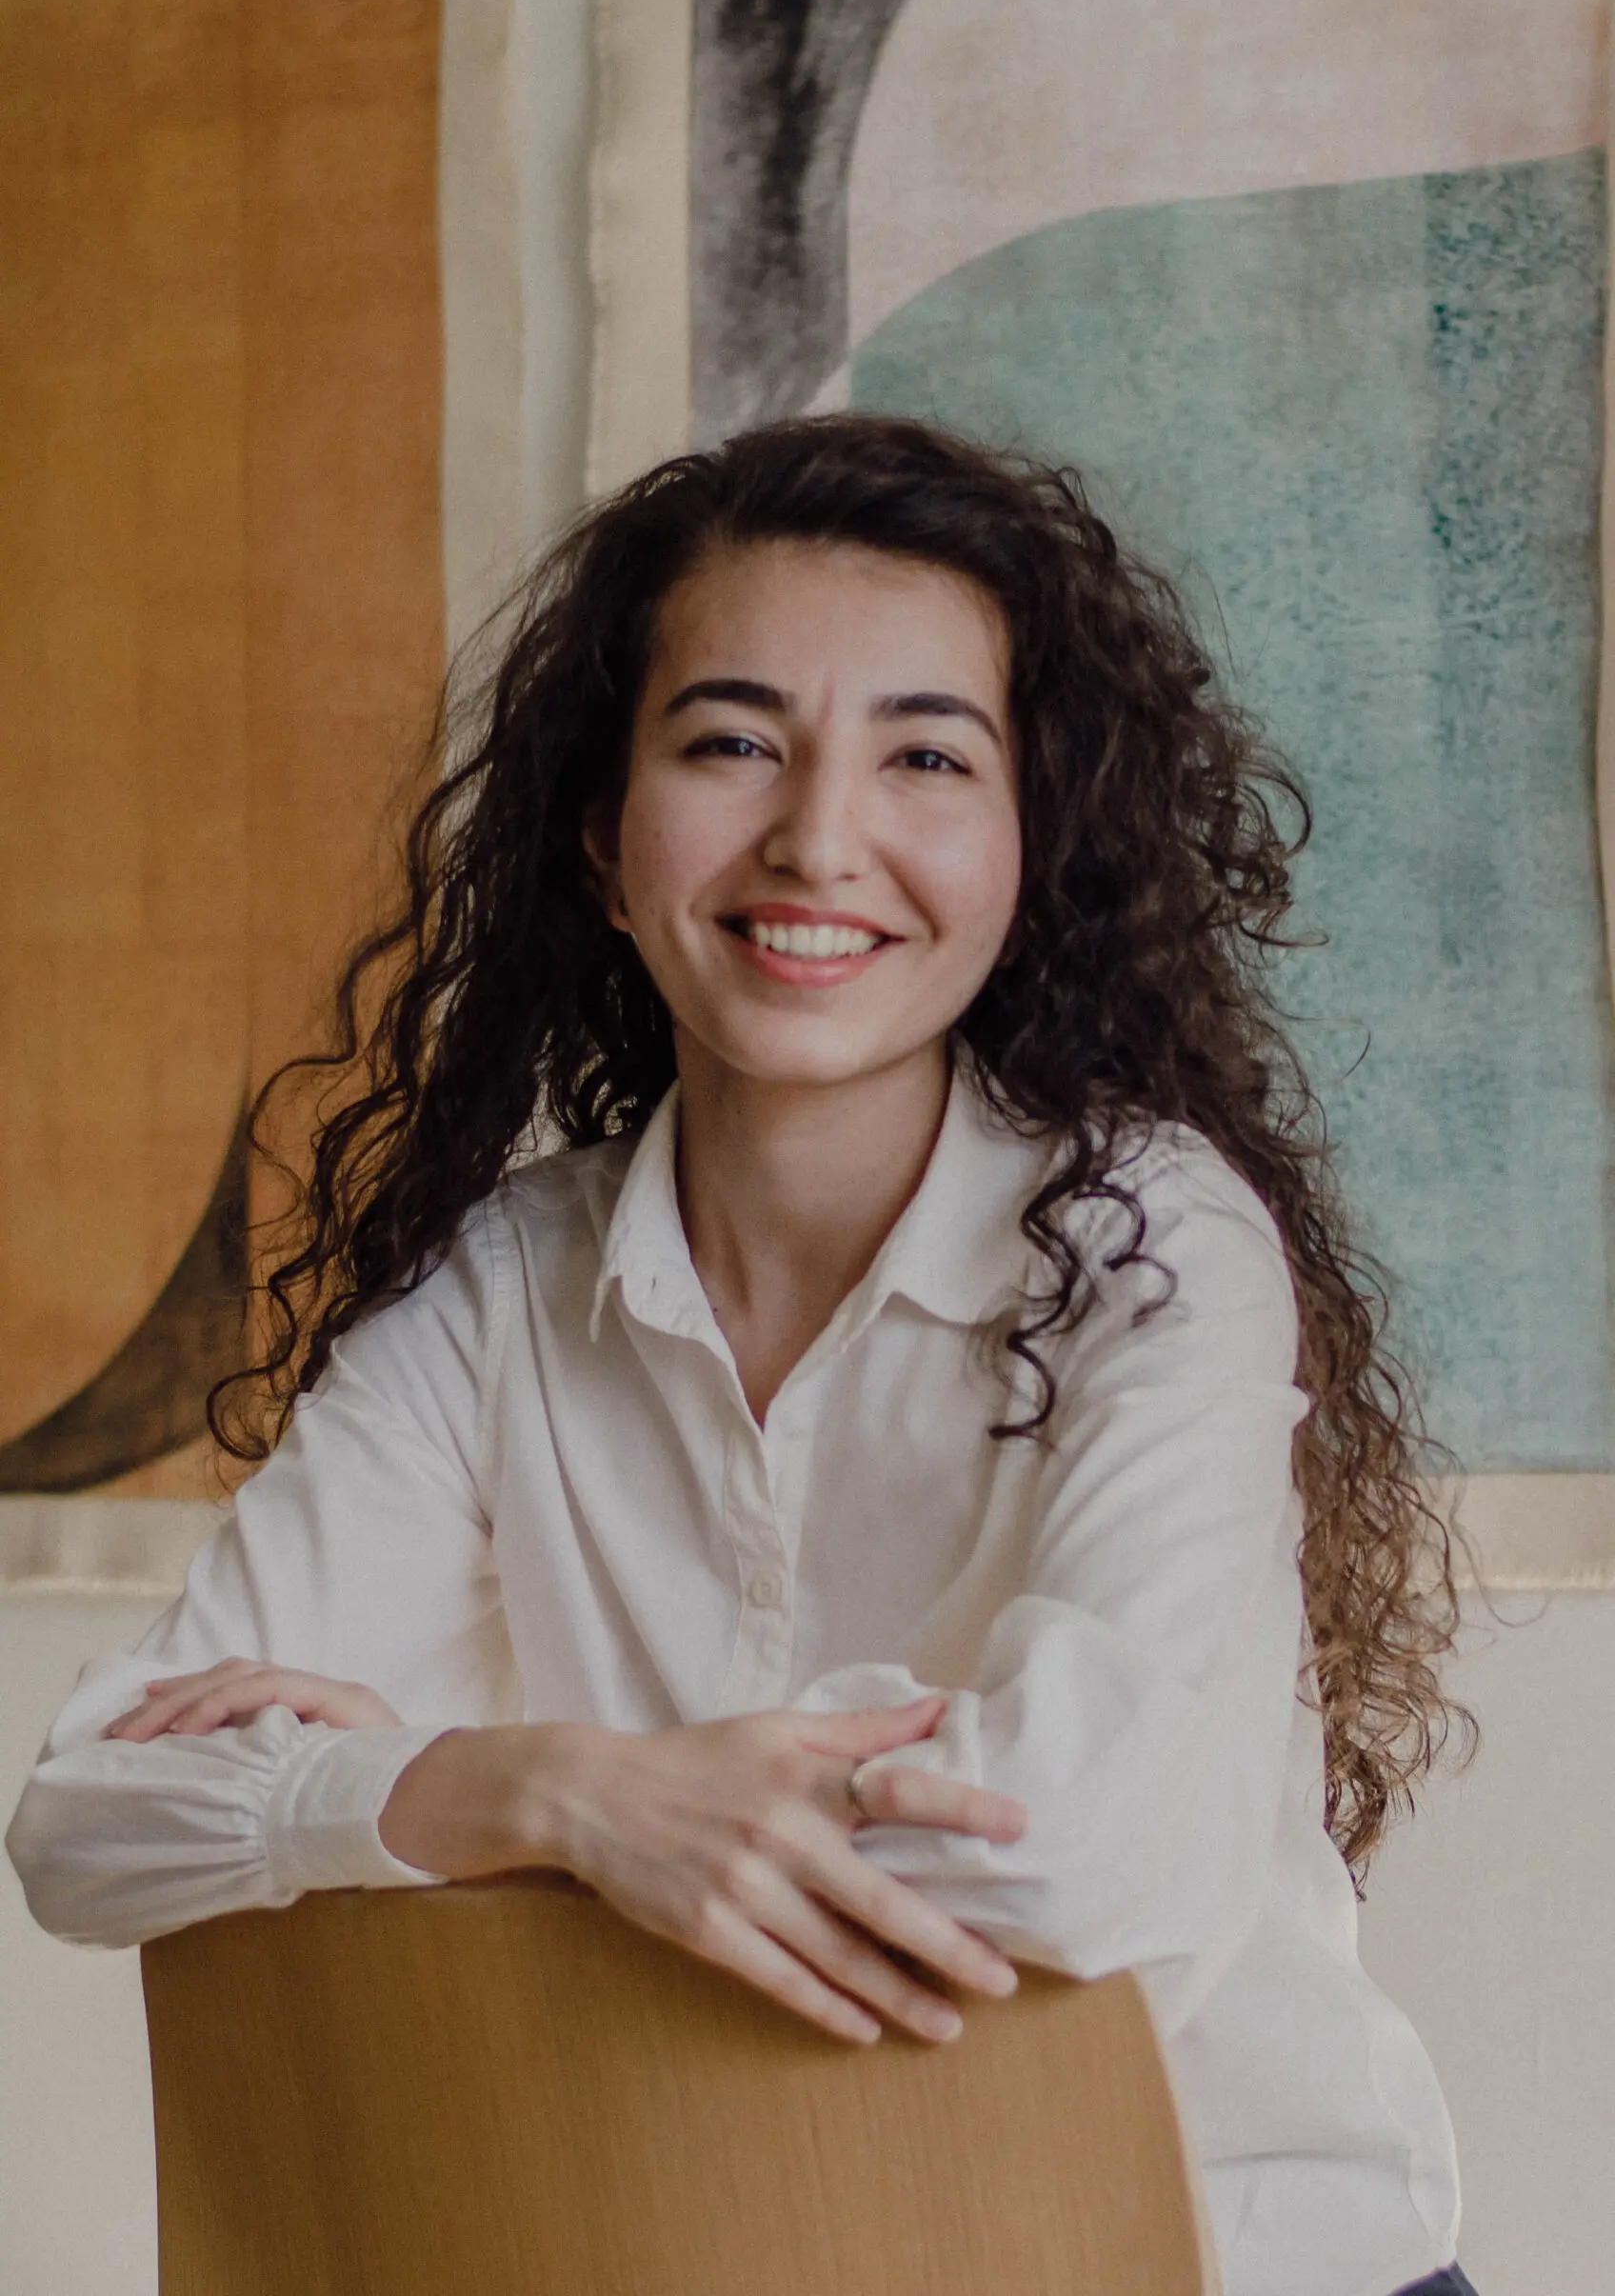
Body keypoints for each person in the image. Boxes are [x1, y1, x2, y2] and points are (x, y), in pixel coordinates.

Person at [10, 416, 1478, 2296]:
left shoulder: (1148, 1235)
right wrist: (559, 1795)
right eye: (728, 740)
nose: (815, 836)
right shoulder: (499, 1286)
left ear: (1031, 843)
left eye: (924, 754)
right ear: (606, 844)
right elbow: (85, 1815)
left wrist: (428, 1794)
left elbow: (1081, 1864)